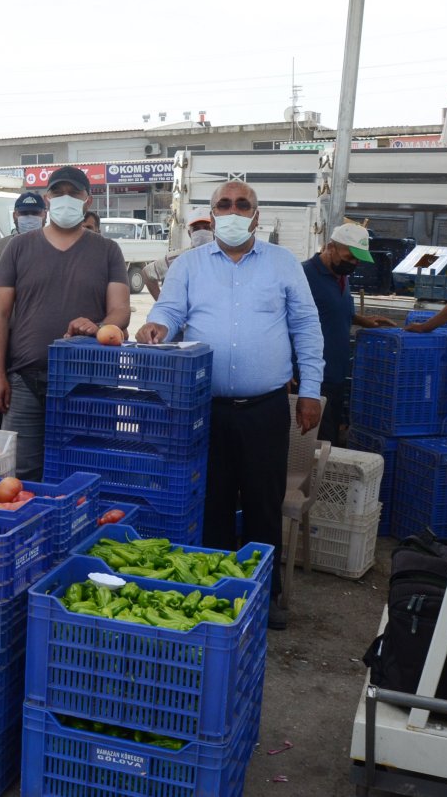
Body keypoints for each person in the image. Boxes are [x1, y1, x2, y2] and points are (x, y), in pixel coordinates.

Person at [137, 181, 324, 630]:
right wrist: (155, 327)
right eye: (225, 204)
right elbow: (169, 311)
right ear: (213, 213)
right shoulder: (190, 266)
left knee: (264, 503)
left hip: (265, 408)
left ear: (257, 216)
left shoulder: (283, 264)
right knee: (212, 503)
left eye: (244, 205)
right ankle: (215, 592)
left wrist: (312, 389)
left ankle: (265, 594)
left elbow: (306, 326)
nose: (234, 211)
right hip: (206, 409)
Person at [0, 166, 131, 480]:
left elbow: (121, 310)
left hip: (88, 382)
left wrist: (100, 326)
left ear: (87, 200)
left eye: (74, 192)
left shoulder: (107, 251)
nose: (66, 198)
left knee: (85, 471)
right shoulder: (19, 247)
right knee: (18, 477)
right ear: (47, 198)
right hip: (25, 380)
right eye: (58, 192)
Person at [302, 223, 395, 446]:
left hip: (335, 375)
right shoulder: (303, 275)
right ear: (330, 247)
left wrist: (365, 321)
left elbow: (335, 310)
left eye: (358, 259)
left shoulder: (342, 276)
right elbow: (283, 322)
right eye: (350, 257)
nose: (354, 263)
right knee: (313, 444)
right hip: (312, 379)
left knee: (330, 441)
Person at [0, 191, 46, 364]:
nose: (29, 218)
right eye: (24, 213)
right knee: (3, 385)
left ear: (44, 215)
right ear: (15, 215)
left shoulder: (54, 247)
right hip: (8, 336)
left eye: (35, 213)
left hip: (45, 337)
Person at [142, 207, 214, 300]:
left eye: (206, 228)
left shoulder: (224, 258)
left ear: (214, 230)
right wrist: (163, 304)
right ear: (189, 233)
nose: (201, 232)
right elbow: (148, 273)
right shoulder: (178, 258)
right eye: (196, 229)